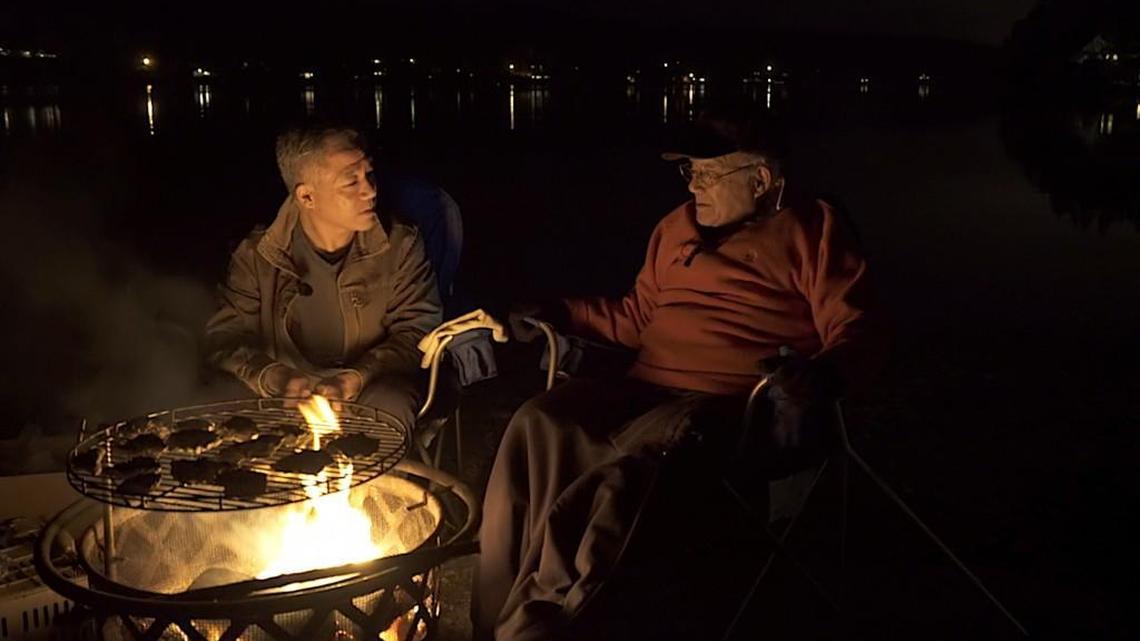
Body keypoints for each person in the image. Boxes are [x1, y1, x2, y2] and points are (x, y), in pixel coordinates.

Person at [474, 106, 886, 640]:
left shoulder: (815, 229)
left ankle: (555, 624)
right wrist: (558, 312)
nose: (695, 186)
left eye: (709, 173)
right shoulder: (674, 229)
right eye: (690, 171)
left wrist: (820, 377)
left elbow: (858, 329)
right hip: (644, 387)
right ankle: (495, 610)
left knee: (627, 475)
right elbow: (634, 319)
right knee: (539, 422)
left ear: (761, 180)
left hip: (728, 406)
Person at [203, 125, 441, 428]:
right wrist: (273, 377)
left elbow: (417, 331)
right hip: (287, 392)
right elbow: (224, 337)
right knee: (218, 400)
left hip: (371, 383)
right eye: (351, 181)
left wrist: (356, 376)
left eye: (369, 173)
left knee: (389, 404)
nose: (370, 190)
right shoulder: (258, 254)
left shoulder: (399, 245)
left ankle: (372, 476)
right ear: (307, 197)